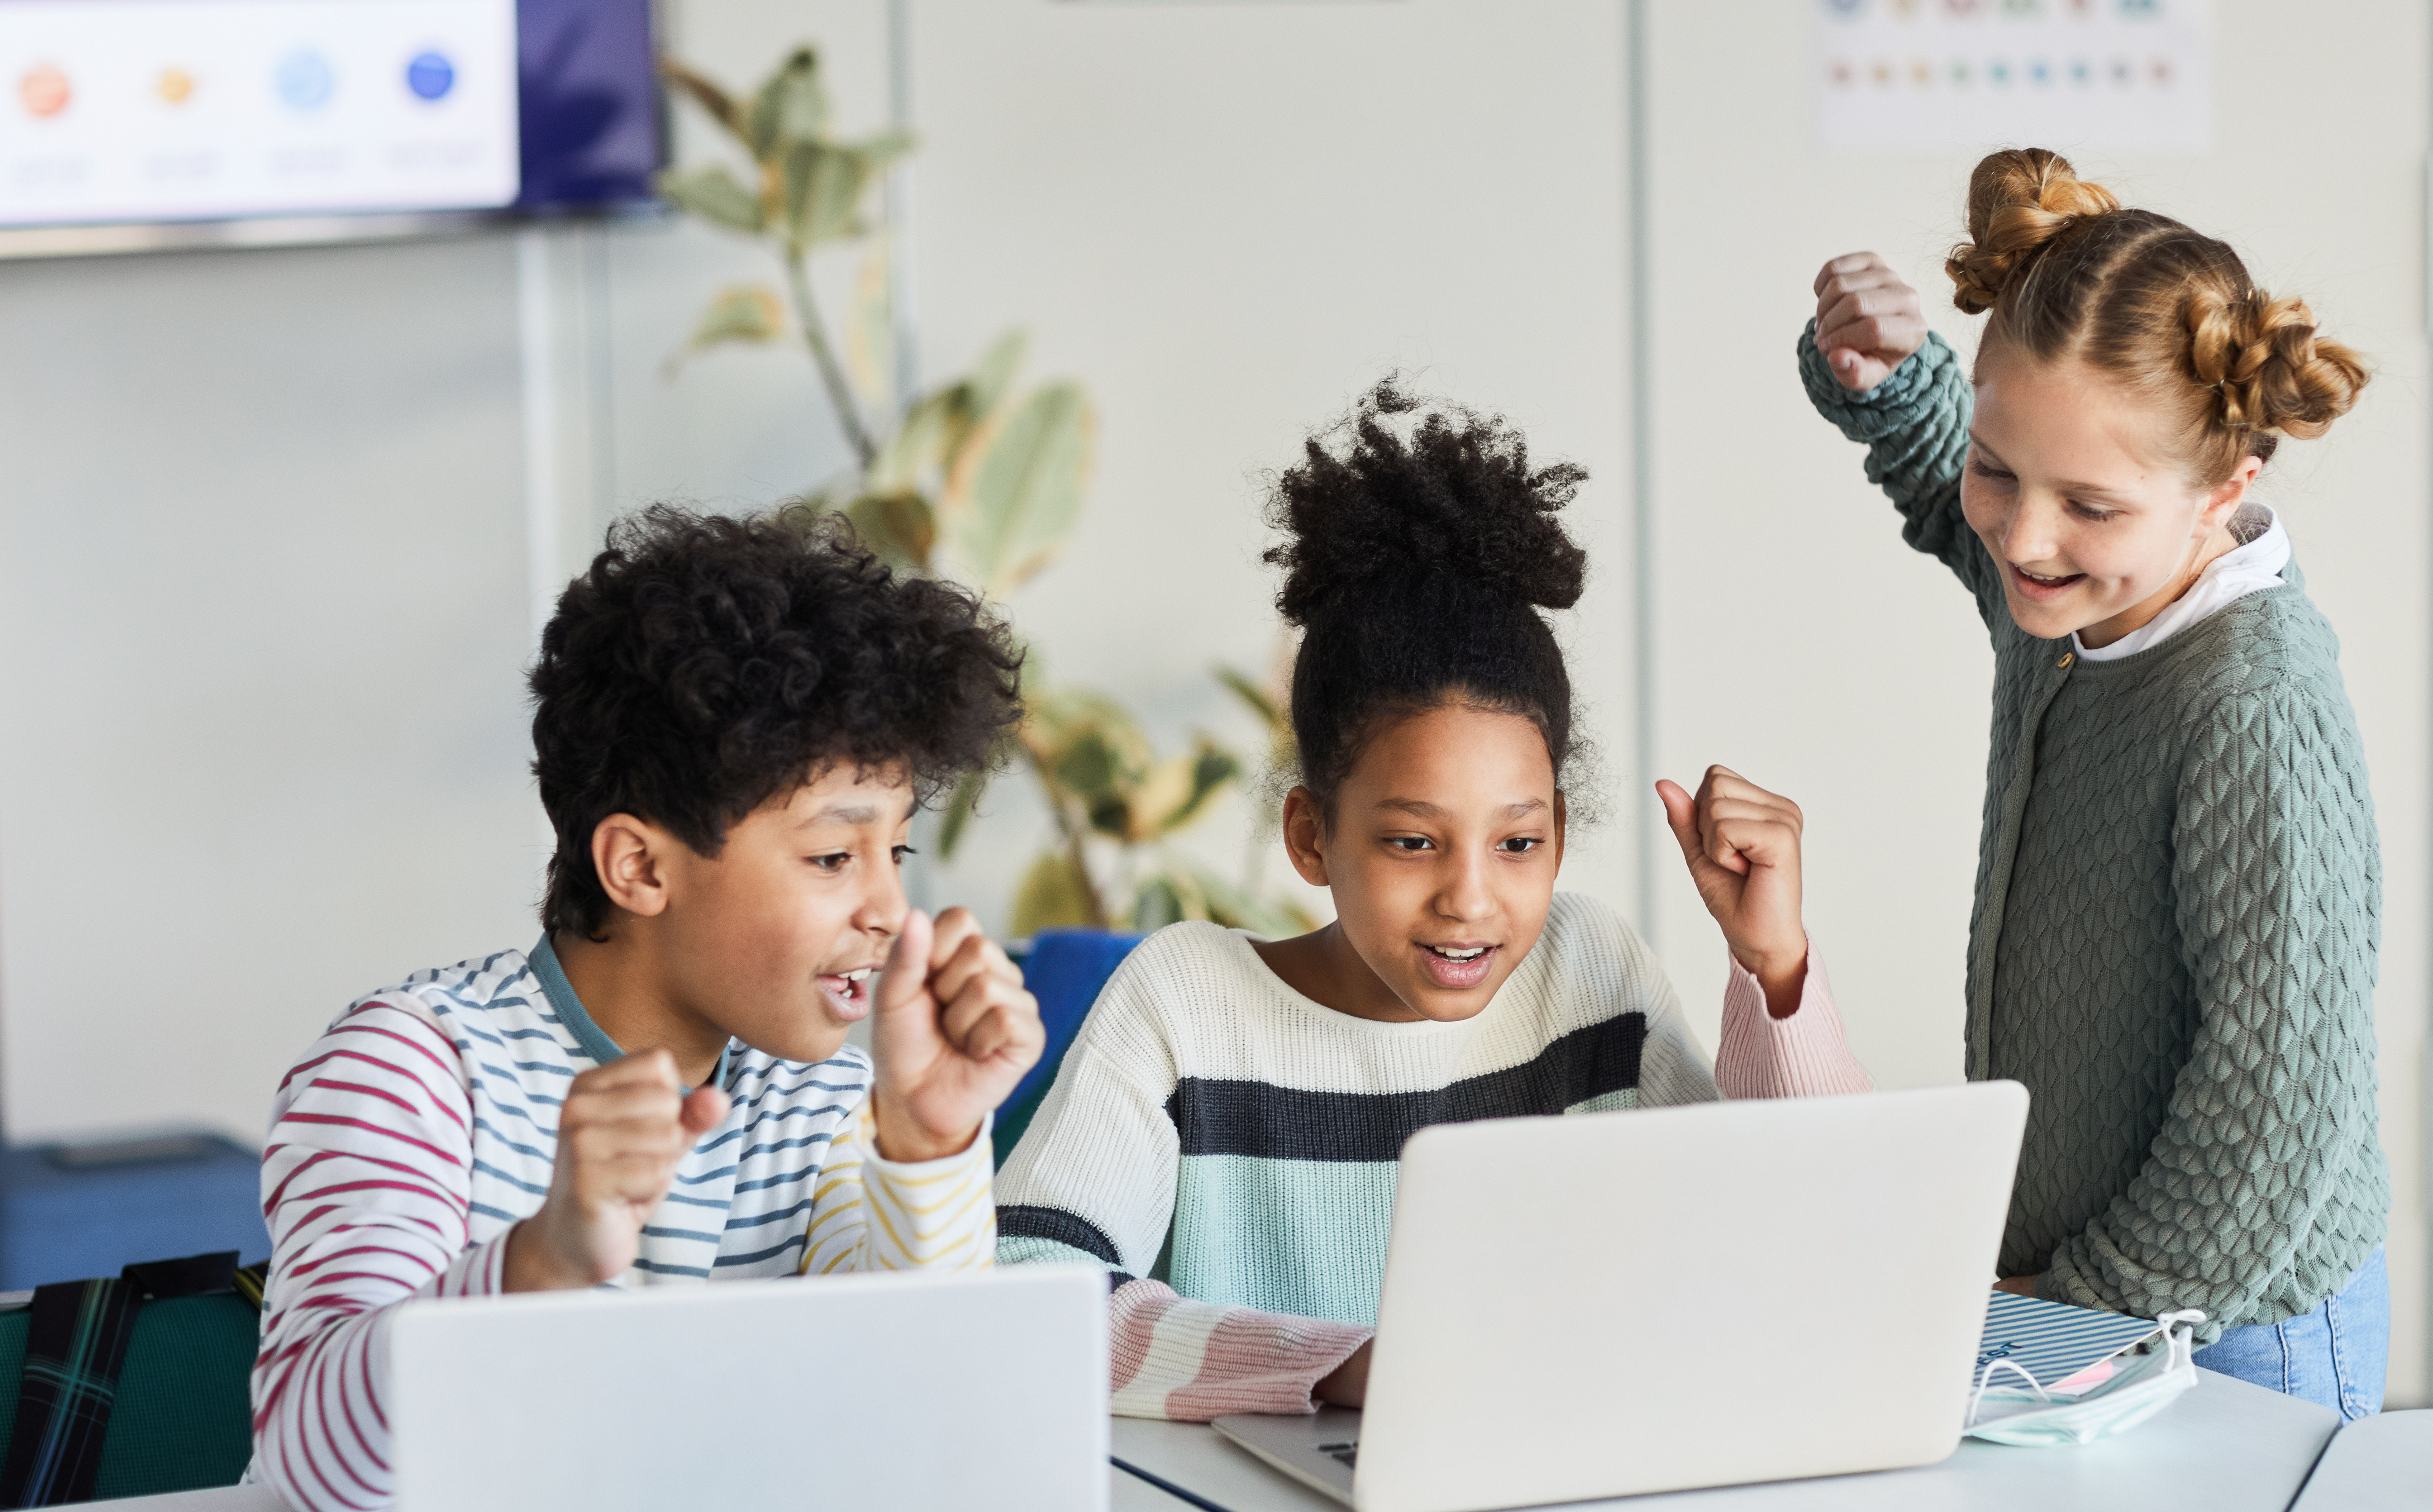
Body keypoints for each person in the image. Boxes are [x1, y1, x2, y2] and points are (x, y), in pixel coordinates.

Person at [994, 381, 1874, 1420]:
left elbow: (1805, 1243)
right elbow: (1029, 1296)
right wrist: (1342, 1367)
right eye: (1413, 841)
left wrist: (1775, 968)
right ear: (1312, 837)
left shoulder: (1589, 973)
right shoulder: (1184, 1004)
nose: (1471, 897)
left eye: (1518, 842)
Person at [250, 507, 1046, 1510]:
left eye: (898, 852)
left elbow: (922, 1417)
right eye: (834, 857)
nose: (891, 910)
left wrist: (927, 1141)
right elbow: (311, 1461)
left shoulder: (829, 1094)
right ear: (639, 866)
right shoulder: (411, 1072)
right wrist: (539, 1264)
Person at [1800, 148, 2390, 1420]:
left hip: (2228, 1322)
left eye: (2090, 504)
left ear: (2225, 492)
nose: (2023, 535)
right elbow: (1959, 506)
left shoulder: (2250, 705)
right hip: (2090, 1301)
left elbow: (2280, 1100)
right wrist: (1890, 383)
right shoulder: (2072, 595)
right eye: (2000, 464)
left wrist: (2081, 1312)